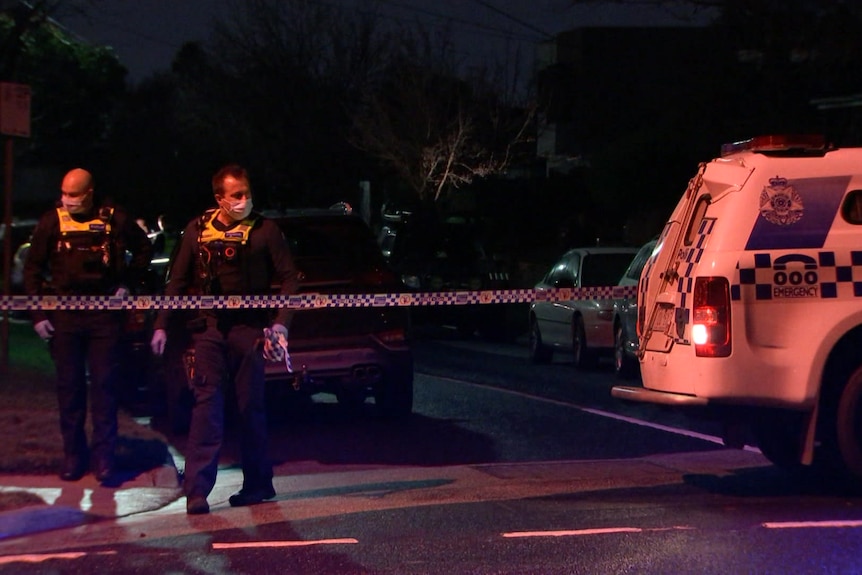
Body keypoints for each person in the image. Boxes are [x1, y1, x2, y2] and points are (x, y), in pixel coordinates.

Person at [150, 164, 298, 515]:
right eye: (236, 195)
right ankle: (197, 492)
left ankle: (258, 485)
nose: (244, 200)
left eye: (247, 193)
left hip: (250, 331)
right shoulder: (197, 230)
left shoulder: (265, 230)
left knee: (251, 409)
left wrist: (281, 325)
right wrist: (161, 325)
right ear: (220, 198)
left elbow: (291, 280)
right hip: (211, 330)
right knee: (207, 408)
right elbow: (177, 281)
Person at [23, 168, 154, 484]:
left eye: (74, 195)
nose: (67, 201)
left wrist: (126, 284)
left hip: (104, 318)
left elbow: (144, 249)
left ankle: (104, 460)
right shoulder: (52, 221)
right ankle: (73, 457)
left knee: (105, 388)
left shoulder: (114, 219)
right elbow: (32, 270)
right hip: (65, 318)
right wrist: (39, 315)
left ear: (90, 193)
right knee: (69, 389)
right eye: (64, 194)